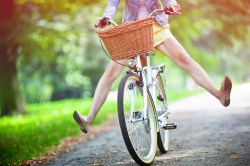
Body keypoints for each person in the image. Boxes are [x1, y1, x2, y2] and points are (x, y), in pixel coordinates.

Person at [73, 0, 232, 134]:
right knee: (110, 73)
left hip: (156, 26)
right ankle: (89, 119)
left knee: (185, 59)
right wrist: (106, 17)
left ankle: (219, 95)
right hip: (132, 30)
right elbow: (113, 3)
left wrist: (172, 4)